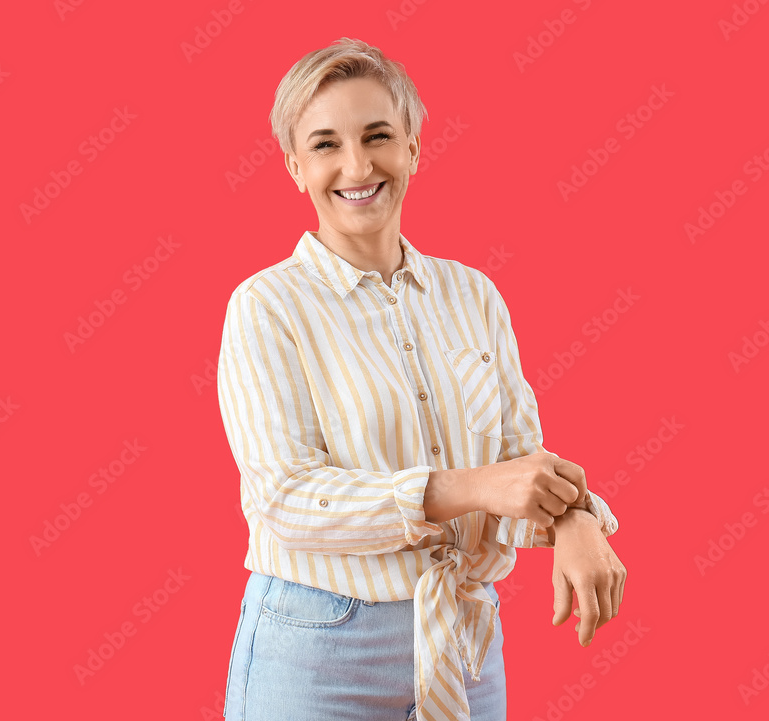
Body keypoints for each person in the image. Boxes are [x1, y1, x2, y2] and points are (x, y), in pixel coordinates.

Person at [216, 37, 626, 721]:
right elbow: (284, 498)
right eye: (325, 145)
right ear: (294, 166)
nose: (357, 164)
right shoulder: (267, 308)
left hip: (464, 637)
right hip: (318, 648)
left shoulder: (474, 296)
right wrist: (466, 488)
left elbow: (520, 465)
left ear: (412, 148)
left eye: (379, 136)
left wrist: (578, 520)